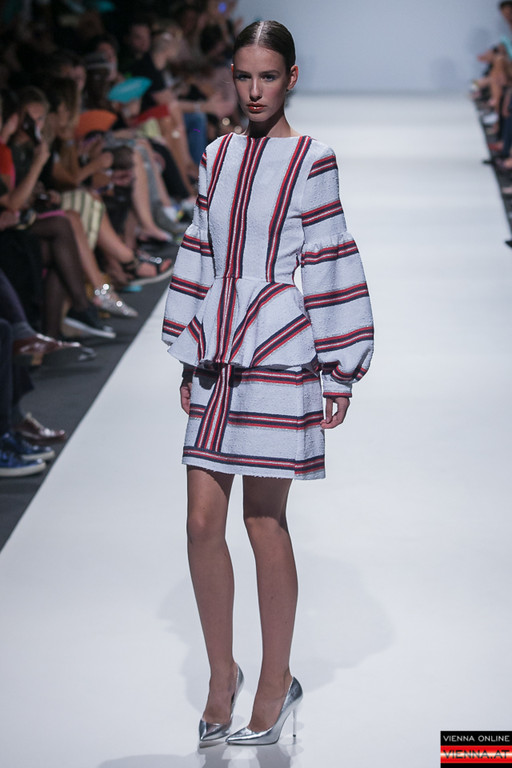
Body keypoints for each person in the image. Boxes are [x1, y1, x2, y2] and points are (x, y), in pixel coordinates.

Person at [161, 20, 374, 747]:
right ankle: (222, 674)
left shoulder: (313, 159)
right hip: (216, 348)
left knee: (262, 520)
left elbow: (330, 255)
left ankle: (276, 683)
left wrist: (341, 366)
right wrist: (185, 346)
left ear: (292, 77)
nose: (254, 91)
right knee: (200, 522)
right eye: (244, 76)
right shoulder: (215, 155)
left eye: (269, 77)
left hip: (280, 349)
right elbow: (199, 248)